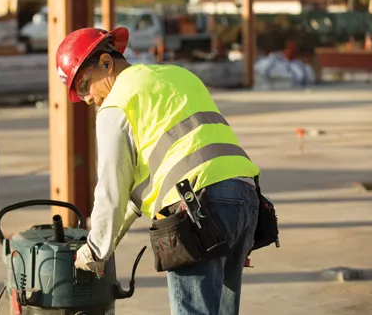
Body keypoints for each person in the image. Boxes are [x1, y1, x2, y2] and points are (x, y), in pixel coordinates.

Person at [56, 26, 261, 315]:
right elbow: (132, 192)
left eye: (85, 85)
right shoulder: (178, 75)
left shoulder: (117, 106)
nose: (87, 99)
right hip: (244, 197)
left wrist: (97, 250)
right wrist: (105, 241)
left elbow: (111, 189)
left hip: (197, 209)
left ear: (106, 62)